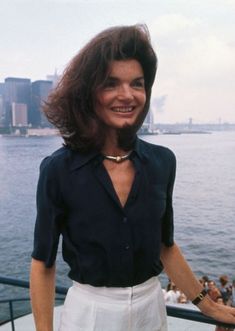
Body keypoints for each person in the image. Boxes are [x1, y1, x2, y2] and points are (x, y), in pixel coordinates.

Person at [29, 24, 235, 331]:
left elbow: (165, 246)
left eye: (136, 84)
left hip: (152, 310)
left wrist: (207, 306)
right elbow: (43, 264)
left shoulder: (162, 162)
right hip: (90, 314)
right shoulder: (58, 170)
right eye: (111, 84)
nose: (126, 95)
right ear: (90, 92)